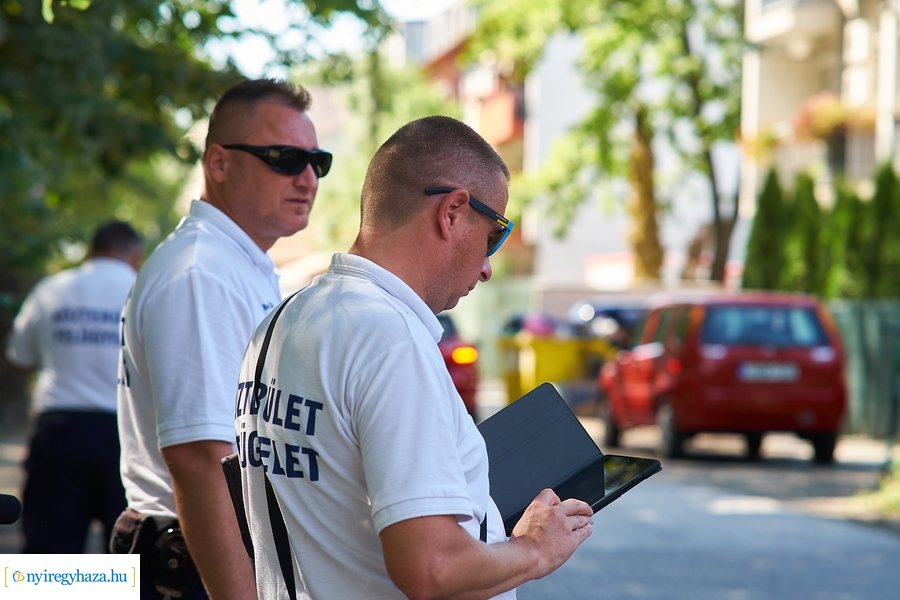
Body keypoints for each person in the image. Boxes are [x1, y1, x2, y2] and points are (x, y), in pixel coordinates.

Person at [235, 115, 593, 599]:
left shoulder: (284, 320)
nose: (488, 268)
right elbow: (431, 568)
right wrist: (534, 550)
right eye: (493, 236)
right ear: (452, 212)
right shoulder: (389, 339)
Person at [112, 78, 331, 600]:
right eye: (283, 157)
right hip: (190, 567)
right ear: (218, 163)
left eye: (316, 161)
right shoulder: (200, 273)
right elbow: (200, 460)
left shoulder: (234, 263)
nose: (306, 178)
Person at [5, 220, 143, 553]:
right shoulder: (143, 290)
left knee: (50, 553)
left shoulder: (51, 289)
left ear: (90, 251)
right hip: (125, 436)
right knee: (129, 556)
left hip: (59, 433)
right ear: (135, 256)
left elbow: (19, 358)